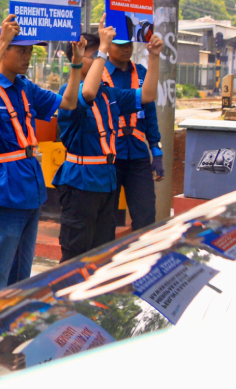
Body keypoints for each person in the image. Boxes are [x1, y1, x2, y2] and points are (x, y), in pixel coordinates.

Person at [0, 15, 82, 299]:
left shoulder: (25, 87)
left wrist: (77, 65)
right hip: (6, 187)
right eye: (21, 50)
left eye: (30, 51)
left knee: (21, 276)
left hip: (31, 185)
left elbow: (69, 102)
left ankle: (12, 322)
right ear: (3, 51)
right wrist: (1, 42)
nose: (28, 56)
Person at [55, 16, 161, 261]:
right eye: (93, 55)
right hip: (81, 184)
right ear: (77, 59)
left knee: (102, 252)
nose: (98, 60)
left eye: (98, 55)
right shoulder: (70, 93)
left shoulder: (109, 94)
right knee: (75, 254)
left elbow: (147, 95)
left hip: (106, 182)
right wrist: (104, 47)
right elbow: (87, 93)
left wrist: (154, 56)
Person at [103, 37, 163, 230]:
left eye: (129, 44)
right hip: (109, 157)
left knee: (146, 217)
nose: (127, 49)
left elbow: (150, 113)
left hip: (137, 156)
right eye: (120, 45)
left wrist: (156, 151)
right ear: (108, 46)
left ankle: (142, 248)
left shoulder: (141, 73)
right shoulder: (99, 73)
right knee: (106, 219)